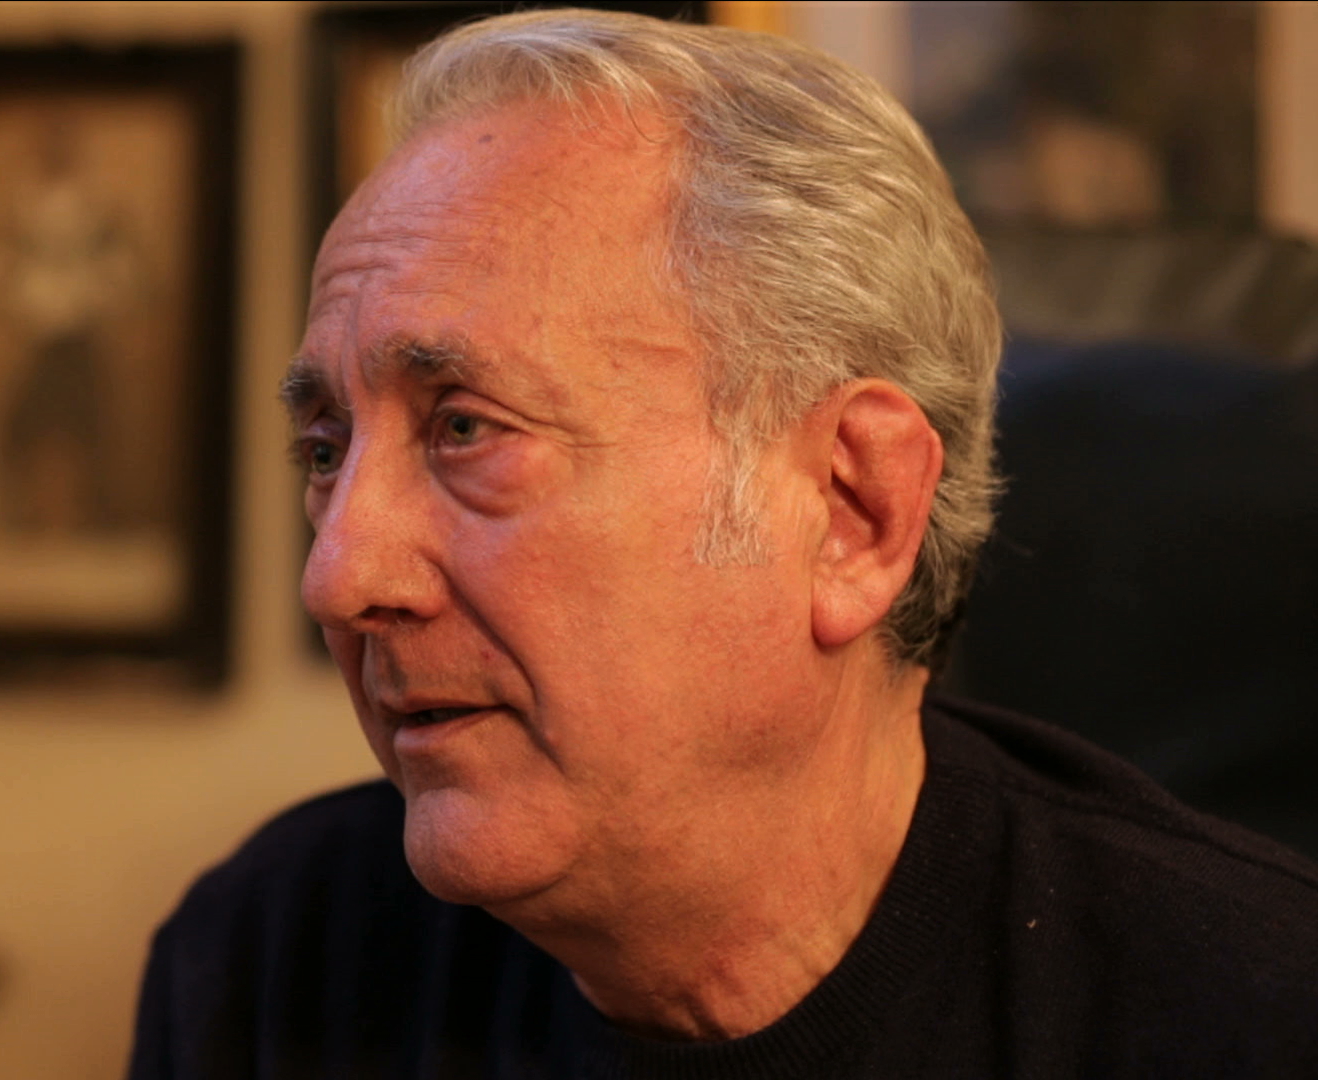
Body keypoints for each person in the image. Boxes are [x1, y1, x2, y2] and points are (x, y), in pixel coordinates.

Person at [127, 10, 1318, 1077]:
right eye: (325, 450)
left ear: (852, 510)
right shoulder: (269, 963)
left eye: (466, 428)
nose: (338, 576)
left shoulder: (1252, 1018)